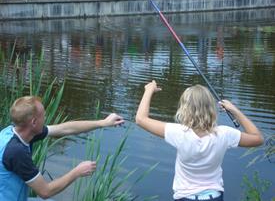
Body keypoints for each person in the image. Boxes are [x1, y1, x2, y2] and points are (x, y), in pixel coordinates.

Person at [135, 80, 264, 201]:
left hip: (185, 196)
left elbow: (141, 119)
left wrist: (149, 90)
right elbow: (258, 138)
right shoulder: (224, 133)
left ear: (184, 108)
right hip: (214, 196)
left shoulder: (178, 133)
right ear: (211, 108)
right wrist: (234, 110)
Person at [0, 96, 124, 201]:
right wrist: (77, 172)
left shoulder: (15, 132)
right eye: (43, 115)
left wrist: (102, 123)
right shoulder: (16, 152)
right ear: (33, 122)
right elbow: (45, 192)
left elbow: (65, 129)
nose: (46, 117)